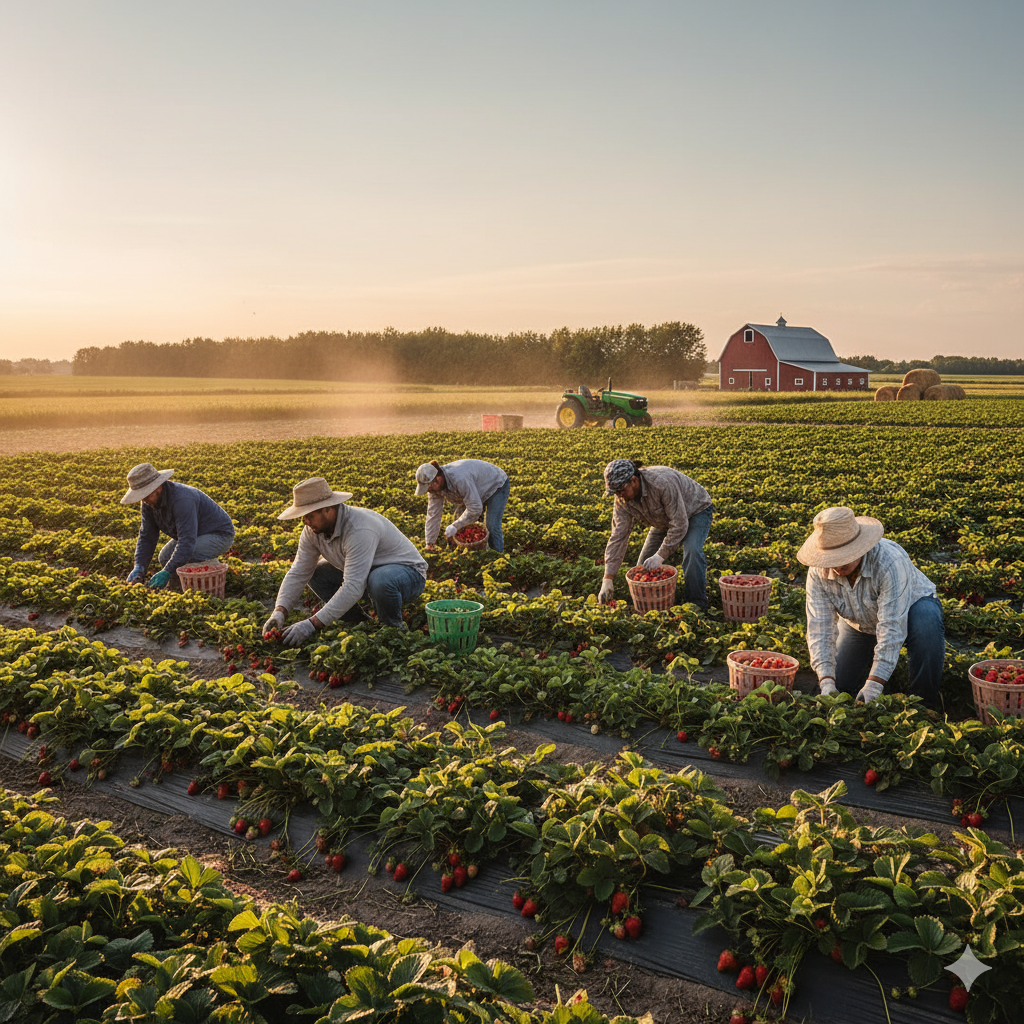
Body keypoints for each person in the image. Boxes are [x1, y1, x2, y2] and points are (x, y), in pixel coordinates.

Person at [797, 506, 944, 707]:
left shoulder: (888, 562)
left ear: (859, 546)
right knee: (840, 687)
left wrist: (875, 684)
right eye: (832, 558)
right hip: (858, 624)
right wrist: (826, 681)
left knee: (926, 622)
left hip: (911, 609)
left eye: (844, 555)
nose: (838, 565)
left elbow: (892, 627)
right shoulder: (818, 572)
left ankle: (924, 703)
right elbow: (819, 628)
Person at [263, 476, 427, 645]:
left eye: (309, 515)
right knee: (316, 573)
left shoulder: (359, 528)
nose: (305, 520)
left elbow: (354, 586)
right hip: (367, 575)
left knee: (380, 579)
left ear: (327, 509)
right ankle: (358, 622)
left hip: (407, 576)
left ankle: (392, 632)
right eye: (303, 516)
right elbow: (298, 572)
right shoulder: (312, 531)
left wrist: (313, 624)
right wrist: (280, 611)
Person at [597, 459, 713, 610]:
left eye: (621, 490)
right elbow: (618, 535)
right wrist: (608, 578)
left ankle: (697, 604)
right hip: (663, 519)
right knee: (643, 566)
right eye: (615, 492)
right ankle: (650, 606)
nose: (619, 495)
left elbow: (679, 524)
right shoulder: (622, 499)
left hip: (696, 510)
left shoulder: (661, 483)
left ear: (633, 480)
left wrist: (660, 555)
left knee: (692, 550)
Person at [121, 463, 235, 590]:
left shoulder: (182, 499)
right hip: (194, 533)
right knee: (165, 557)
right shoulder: (149, 503)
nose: (144, 500)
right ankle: (178, 588)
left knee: (190, 554)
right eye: (141, 497)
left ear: (158, 488)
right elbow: (147, 536)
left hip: (219, 534)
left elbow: (187, 542)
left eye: (146, 495)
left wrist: (167, 571)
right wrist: (139, 566)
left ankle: (210, 575)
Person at [414, 459, 510, 553]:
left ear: (437, 479)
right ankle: (475, 552)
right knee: (461, 521)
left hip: (496, 484)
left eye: (429, 487)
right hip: (476, 489)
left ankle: (496, 555)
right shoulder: (434, 489)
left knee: (492, 525)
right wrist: (430, 543)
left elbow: (475, 508)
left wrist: (455, 526)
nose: (429, 491)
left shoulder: (459, 478)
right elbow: (433, 514)